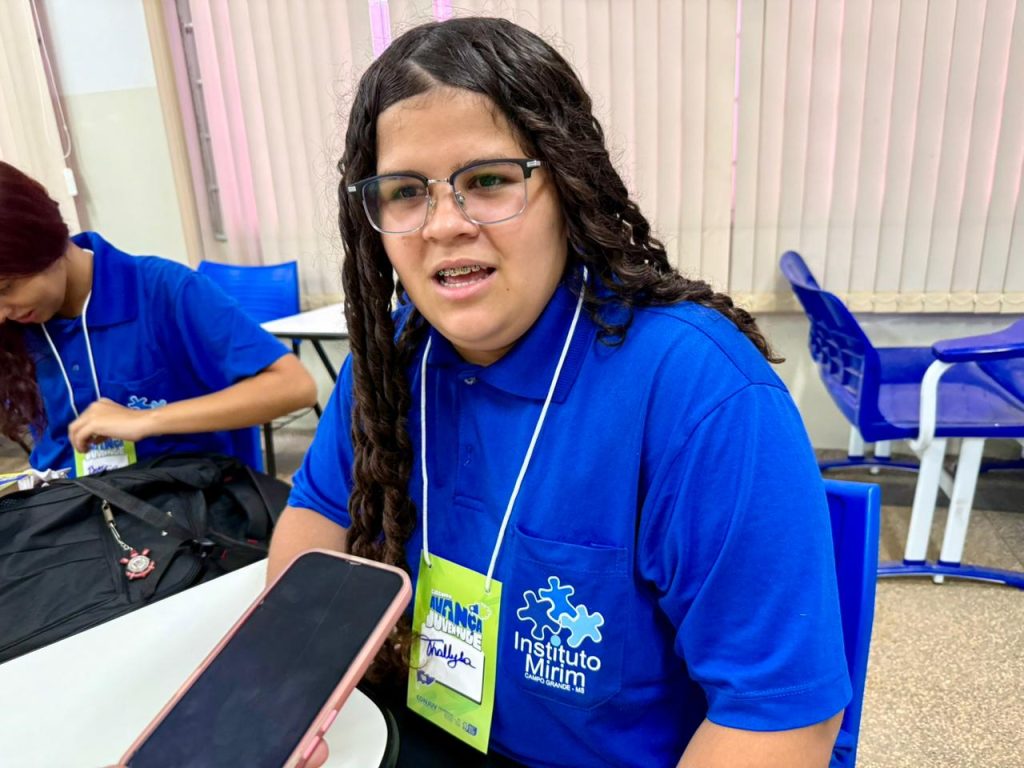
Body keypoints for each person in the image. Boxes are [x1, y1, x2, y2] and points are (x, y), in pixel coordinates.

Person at [268, 17, 849, 768]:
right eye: (406, 193)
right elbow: (316, 518)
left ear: (566, 186)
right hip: (433, 733)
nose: (446, 224)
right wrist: (294, 690)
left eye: (488, 181)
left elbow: (779, 722)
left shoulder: (696, 390)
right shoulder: (392, 360)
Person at [0, 161, 318, 476]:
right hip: (67, 511)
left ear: (46, 241)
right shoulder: (17, 326)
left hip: (180, 505)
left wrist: (147, 420)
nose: (3, 314)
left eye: (6, 288)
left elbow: (293, 385)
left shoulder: (164, 291)